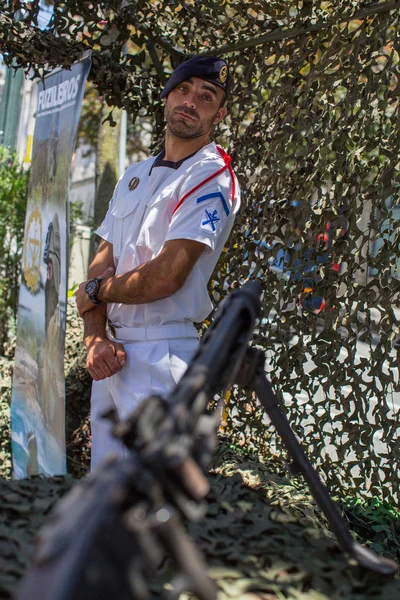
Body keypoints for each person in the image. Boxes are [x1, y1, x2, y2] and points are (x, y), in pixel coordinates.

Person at [75, 55, 241, 468]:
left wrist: (94, 293)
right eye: (183, 90)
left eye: (206, 96)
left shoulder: (212, 174)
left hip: (163, 355)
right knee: (105, 493)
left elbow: (166, 276)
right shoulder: (135, 172)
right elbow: (103, 257)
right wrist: (95, 336)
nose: (190, 101)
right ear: (167, 96)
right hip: (110, 354)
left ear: (218, 114)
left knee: (151, 506)